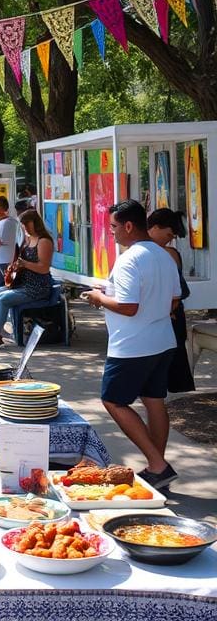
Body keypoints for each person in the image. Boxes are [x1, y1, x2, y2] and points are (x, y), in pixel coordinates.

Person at [82, 199, 181, 488]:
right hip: (162, 340)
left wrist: (98, 298)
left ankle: (158, 464)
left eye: (113, 227)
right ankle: (157, 466)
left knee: (113, 400)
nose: (110, 232)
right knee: (154, 401)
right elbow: (173, 299)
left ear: (128, 226)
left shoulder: (129, 258)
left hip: (132, 345)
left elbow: (128, 306)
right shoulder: (165, 255)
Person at [0, 209, 54, 346]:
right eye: (22, 225)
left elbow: (44, 268)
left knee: (3, 299)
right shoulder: (27, 240)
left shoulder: (44, 241)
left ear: (35, 223)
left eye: (26, 224)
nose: (24, 228)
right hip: (22, 283)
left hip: (37, 287)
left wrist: (25, 264)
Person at [147, 208, 195, 393]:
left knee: (173, 364)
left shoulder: (169, 254)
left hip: (170, 315)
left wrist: (169, 310)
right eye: (168, 234)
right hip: (159, 315)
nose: (169, 239)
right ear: (156, 228)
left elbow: (177, 292)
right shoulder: (142, 251)